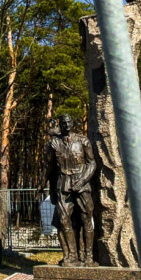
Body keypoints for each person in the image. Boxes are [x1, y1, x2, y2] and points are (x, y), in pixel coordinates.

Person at [43, 114, 97, 267]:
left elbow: (92, 164)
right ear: (60, 125)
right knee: (63, 220)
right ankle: (71, 256)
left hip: (82, 185)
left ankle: (88, 256)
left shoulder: (83, 141)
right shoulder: (54, 143)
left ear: (73, 123)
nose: (66, 124)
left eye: (69, 122)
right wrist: (43, 186)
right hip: (64, 185)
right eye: (63, 123)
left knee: (87, 219)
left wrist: (83, 180)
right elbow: (50, 168)